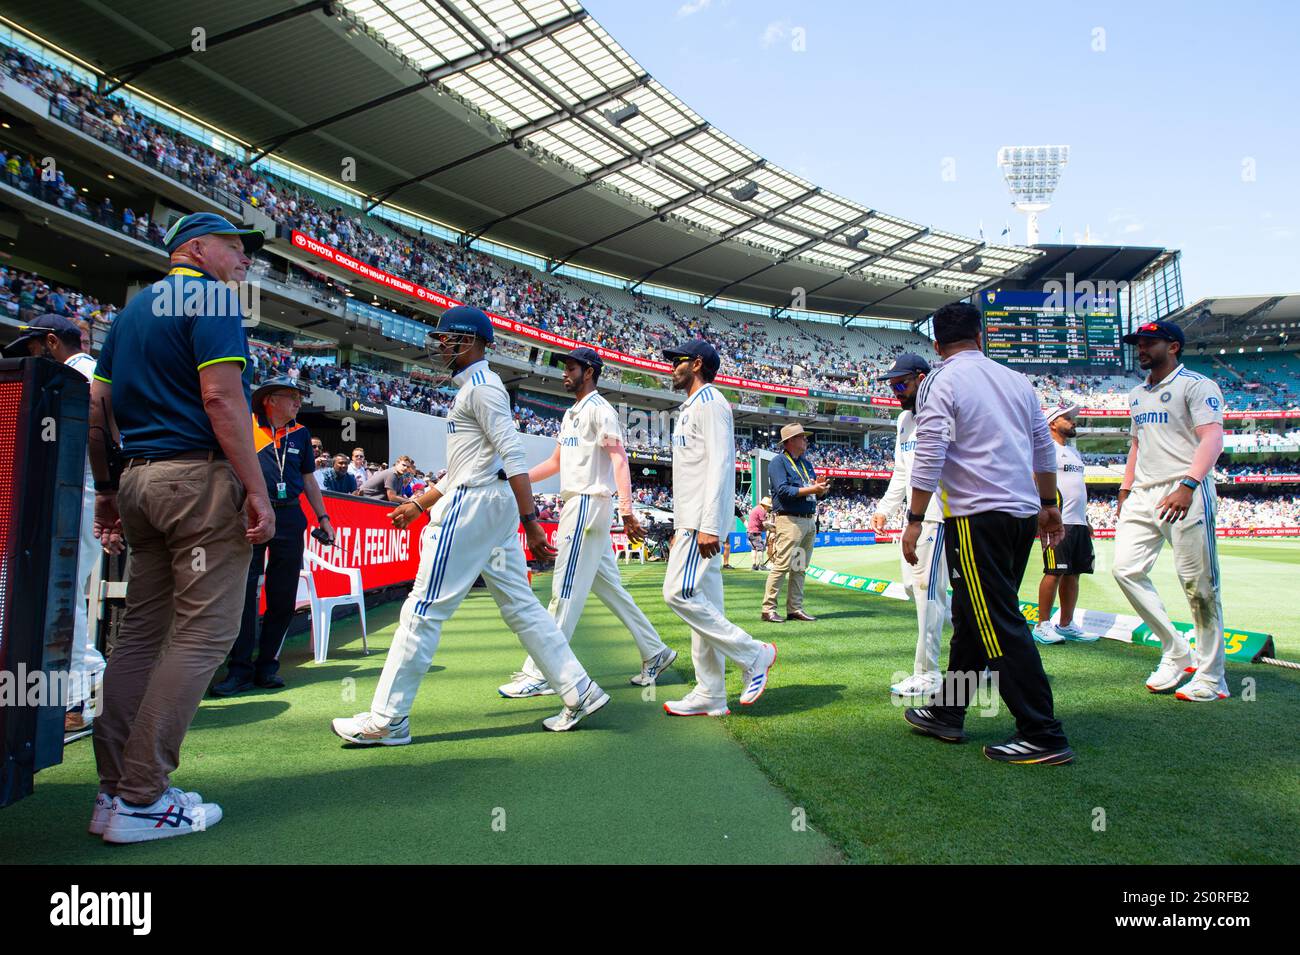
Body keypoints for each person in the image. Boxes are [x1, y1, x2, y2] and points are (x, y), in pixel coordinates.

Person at [330, 306, 608, 744]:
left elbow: (511, 457)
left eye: (447, 337)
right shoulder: (479, 388)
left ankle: (388, 719)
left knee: (422, 610)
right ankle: (580, 690)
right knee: (521, 607)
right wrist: (421, 501)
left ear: (470, 341)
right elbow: (469, 464)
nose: (439, 344)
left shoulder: (481, 389)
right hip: (486, 504)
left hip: (473, 508)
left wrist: (531, 520)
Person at [87, 211, 274, 842]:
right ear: (194, 248)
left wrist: (108, 489)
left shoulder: (132, 311)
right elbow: (222, 399)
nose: (245, 258)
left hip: (139, 480)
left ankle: (115, 794)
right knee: (203, 636)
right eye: (235, 246)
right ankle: (142, 797)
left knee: (139, 636)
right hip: (194, 480)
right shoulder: (214, 298)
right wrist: (256, 489)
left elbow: (95, 408)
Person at [900, 301, 1073, 766]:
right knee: (972, 617)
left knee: (997, 622)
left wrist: (914, 519)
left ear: (937, 345)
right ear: (981, 337)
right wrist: (1049, 505)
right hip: (1021, 515)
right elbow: (1043, 446)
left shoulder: (941, 379)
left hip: (977, 518)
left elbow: (931, 449)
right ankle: (947, 713)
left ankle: (1042, 732)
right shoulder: (1016, 381)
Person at [497, 347, 676, 698]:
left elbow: (619, 459)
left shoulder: (600, 410)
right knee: (611, 590)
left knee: (563, 591)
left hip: (587, 505)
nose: (565, 373)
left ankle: (543, 672)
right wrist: (515, 478)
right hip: (579, 504)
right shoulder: (573, 413)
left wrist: (626, 509)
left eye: (571, 367)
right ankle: (656, 651)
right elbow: (554, 462)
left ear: (589, 372)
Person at [659, 340, 776, 717]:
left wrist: (709, 525)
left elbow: (722, 466)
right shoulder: (692, 405)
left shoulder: (711, 402)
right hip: (690, 520)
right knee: (702, 604)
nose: (670, 367)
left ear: (696, 364)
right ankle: (711, 692)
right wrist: (680, 525)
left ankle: (754, 654)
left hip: (702, 522)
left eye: (676, 361)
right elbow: (691, 472)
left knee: (677, 593)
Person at [1112, 320, 1227, 701]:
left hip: (1185, 490)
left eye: (1149, 342)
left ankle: (1212, 678)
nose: (1141, 348)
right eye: (1139, 343)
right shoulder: (1136, 394)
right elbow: (1136, 445)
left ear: (1173, 346)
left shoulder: (1196, 385)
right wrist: (1126, 488)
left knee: (1199, 587)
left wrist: (1188, 485)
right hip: (1143, 494)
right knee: (1124, 570)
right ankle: (1177, 650)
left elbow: (1212, 437)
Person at [3, 315, 107, 733]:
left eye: (31, 351)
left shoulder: (83, 374)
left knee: (61, 593)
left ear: (49, 342)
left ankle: (83, 697)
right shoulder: (81, 373)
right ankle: (83, 693)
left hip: (80, 489)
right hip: (69, 490)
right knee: (55, 593)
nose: (30, 360)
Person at [211, 376, 334, 697]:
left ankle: (268, 666)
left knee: (282, 594)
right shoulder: (246, 425)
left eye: (299, 398)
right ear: (270, 400)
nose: (298, 403)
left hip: (291, 516)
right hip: (250, 513)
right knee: (243, 592)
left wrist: (323, 518)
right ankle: (238, 668)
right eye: (292, 397)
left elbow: (308, 479)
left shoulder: (301, 433)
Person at [871, 354, 949, 698]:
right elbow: (902, 471)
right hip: (916, 517)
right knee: (916, 590)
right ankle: (986, 660)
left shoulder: (942, 410)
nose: (896, 391)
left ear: (921, 377)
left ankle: (928, 674)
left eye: (902, 384)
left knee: (927, 595)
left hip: (939, 516)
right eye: (892, 385)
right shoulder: (904, 419)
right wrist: (886, 508)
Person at [1032, 404, 1098, 646]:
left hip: (1078, 522)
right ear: (1052, 423)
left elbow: (1077, 488)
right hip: (1057, 521)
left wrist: (1086, 519)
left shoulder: (1073, 453)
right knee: (1054, 571)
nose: (1072, 421)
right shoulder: (1045, 448)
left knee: (1074, 573)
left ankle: (1066, 623)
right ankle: (1042, 624)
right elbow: (1034, 478)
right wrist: (1042, 510)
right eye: (1067, 418)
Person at [762, 423, 827, 623]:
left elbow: (813, 493)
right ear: (790, 441)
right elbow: (783, 491)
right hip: (789, 520)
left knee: (799, 567)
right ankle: (768, 609)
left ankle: (795, 608)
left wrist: (821, 491)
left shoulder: (806, 464)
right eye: (802, 437)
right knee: (781, 565)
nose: (805, 440)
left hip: (807, 521)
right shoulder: (778, 462)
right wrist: (812, 490)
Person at [746, 496, 774, 571]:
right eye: (768, 506)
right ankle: (761, 565)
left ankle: (754, 565)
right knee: (760, 548)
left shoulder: (756, 508)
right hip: (755, 532)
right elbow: (764, 523)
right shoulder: (761, 511)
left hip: (750, 531)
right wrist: (772, 528)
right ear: (765, 505)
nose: (768, 508)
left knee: (753, 548)